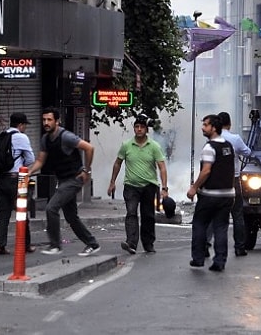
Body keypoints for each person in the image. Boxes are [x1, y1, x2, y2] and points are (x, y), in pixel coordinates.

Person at [30, 107, 101, 257]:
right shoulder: (45, 139)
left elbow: (89, 148)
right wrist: (28, 172)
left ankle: (55, 245)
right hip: (62, 180)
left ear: (57, 121)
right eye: (44, 120)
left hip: (74, 179)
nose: (46, 123)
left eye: (49, 120)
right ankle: (92, 243)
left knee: (51, 208)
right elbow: (40, 161)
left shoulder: (66, 136)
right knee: (71, 217)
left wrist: (86, 170)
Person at [107, 115, 168, 254]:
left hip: (149, 186)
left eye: (141, 127)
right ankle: (131, 243)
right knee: (131, 213)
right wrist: (112, 182)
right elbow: (118, 163)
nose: (139, 129)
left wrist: (164, 188)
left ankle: (148, 243)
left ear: (146, 129)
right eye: (136, 127)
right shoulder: (126, 145)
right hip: (131, 186)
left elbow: (162, 167)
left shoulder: (154, 146)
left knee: (148, 215)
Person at [188, 114, 236, 272]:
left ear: (214, 128)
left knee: (200, 224)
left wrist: (194, 188)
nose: (203, 127)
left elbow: (206, 171)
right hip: (228, 194)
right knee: (221, 227)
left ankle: (198, 258)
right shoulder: (228, 146)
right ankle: (220, 261)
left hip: (210, 195)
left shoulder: (209, 147)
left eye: (205, 125)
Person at [205, 111, 251, 256]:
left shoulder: (212, 139)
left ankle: (205, 245)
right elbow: (248, 152)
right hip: (233, 180)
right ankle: (239, 247)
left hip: (215, 181)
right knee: (237, 214)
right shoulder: (235, 139)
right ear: (229, 124)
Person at [0, 112, 37, 255]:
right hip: (15, 180)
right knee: (22, 212)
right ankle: (26, 244)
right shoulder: (21, 137)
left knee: (3, 214)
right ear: (20, 125)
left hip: (0, 179)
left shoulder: (1, 135)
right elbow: (31, 159)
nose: (25, 128)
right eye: (24, 125)